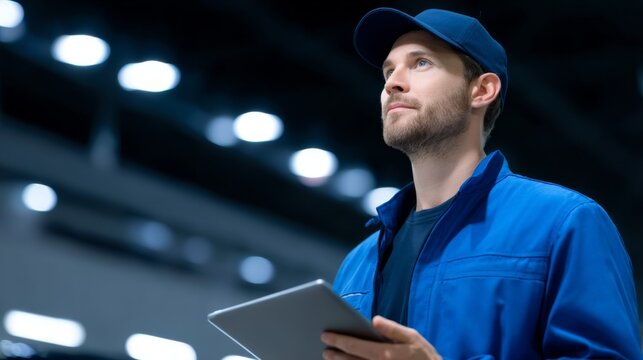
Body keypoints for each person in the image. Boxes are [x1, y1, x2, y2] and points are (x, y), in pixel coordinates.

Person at [320, 6, 642, 360]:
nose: (392, 83)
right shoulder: (358, 262)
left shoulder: (564, 223)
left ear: (481, 90)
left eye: (421, 62)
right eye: (388, 70)